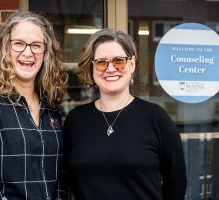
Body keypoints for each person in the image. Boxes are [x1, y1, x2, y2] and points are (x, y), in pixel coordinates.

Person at [63, 28, 187, 200]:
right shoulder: (75, 121)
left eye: (119, 61)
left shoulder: (156, 118)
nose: (110, 69)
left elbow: (176, 184)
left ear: (132, 63)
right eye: (101, 62)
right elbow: (71, 180)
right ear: (91, 68)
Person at [0, 11, 68, 200]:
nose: (28, 52)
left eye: (36, 45)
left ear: (46, 52)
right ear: (4, 48)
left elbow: (59, 176)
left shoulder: (50, 108)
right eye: (18, 44)